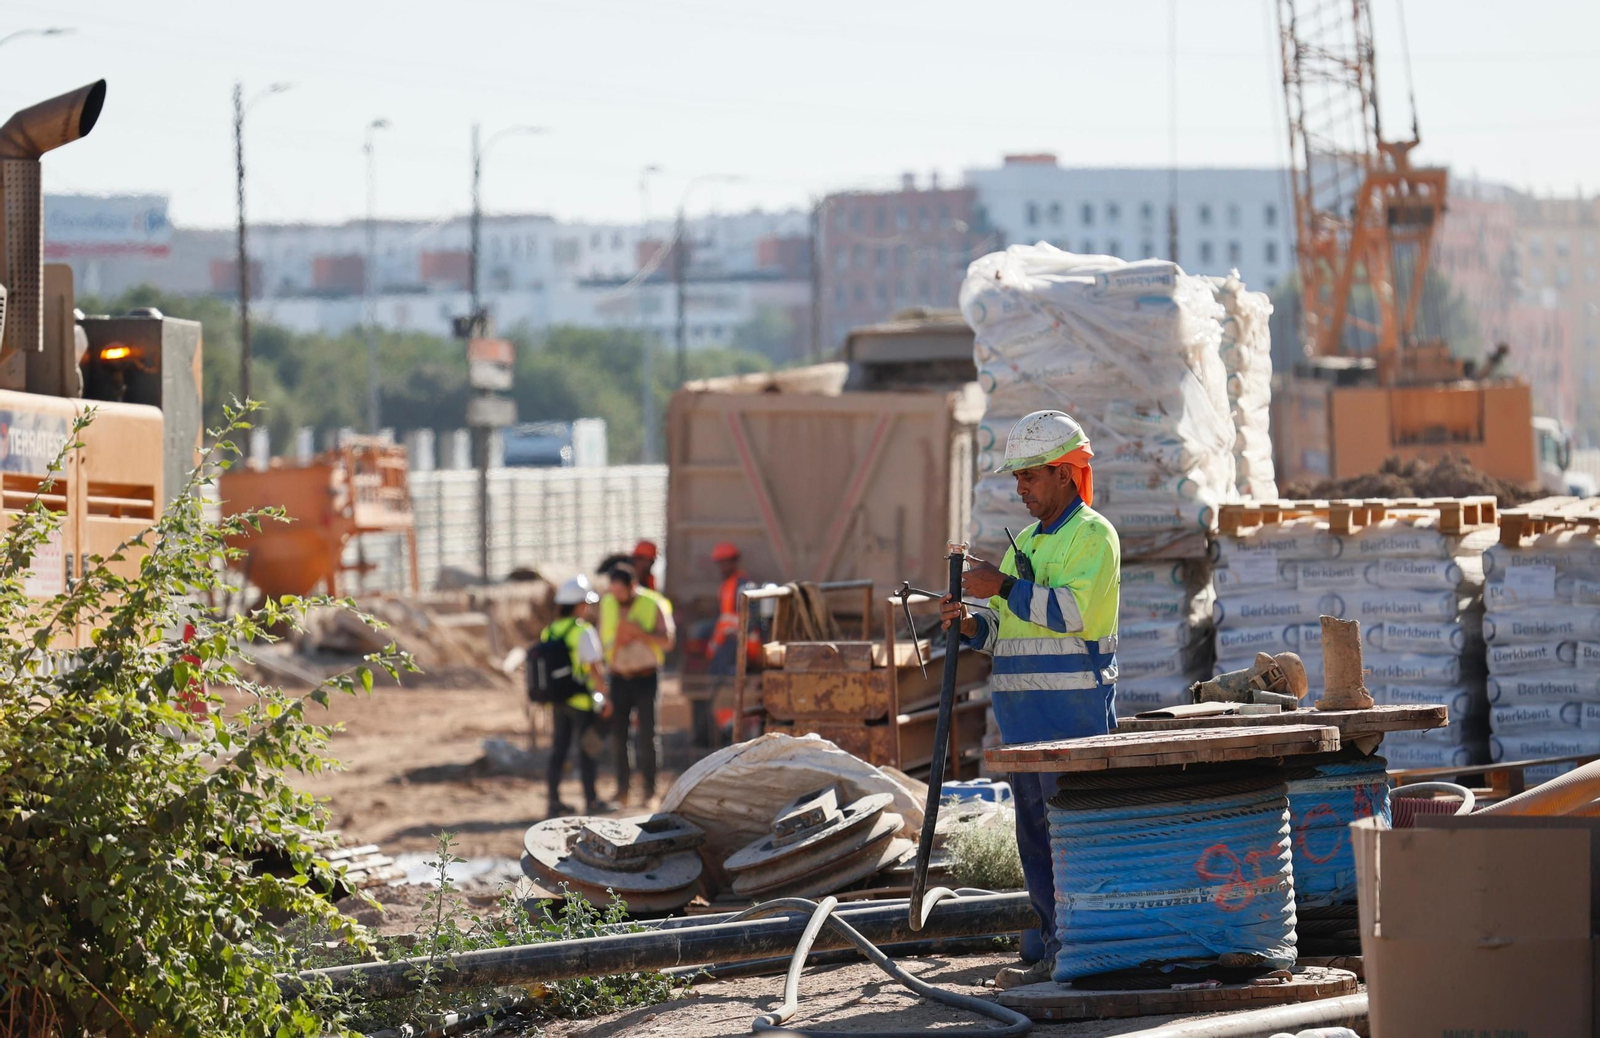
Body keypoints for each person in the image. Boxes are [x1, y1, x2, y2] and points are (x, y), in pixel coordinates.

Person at [938, 409, 1120, 990]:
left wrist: (1005, 587)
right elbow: (1003, 633)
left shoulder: (1092, 536)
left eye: (1030, 476)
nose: (1020, 487)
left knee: (1074, 839)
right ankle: (1047, 948)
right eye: (1016, 477)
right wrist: (969, 624)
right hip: (1024, 723)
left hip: (1073, 720)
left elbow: (1069, 615)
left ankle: (1077, 953)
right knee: (1035, 836)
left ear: (1066, 474)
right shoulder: (1030, 546)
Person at [598, 561, 675, 804]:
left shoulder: (653, 603)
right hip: (619, 677)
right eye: (614, 592)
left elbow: (668, 642)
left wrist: (640, 633)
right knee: (619, 736)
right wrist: (620, 640)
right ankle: (623, 790)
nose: (617, 597)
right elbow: (603, 642)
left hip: (646, 677)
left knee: (647, 734)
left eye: (621, 591)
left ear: (633, 585)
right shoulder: (607, 603)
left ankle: (650, 791)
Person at [539, 575, 613, 818]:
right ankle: (591, 801)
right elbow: (594, 669)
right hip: (582, 701)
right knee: (588, 750)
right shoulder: (583, 631)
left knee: (558, 749)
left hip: (558, 700)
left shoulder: (549, 631)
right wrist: (604, 696)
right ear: (580, 604)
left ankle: (553, 802)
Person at [701, 541, 759, 748]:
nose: (722, 567)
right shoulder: (728, 584)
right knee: (722, 690)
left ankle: (733, 732)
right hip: (728, 647)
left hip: (737, 647)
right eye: (720, 563)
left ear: (734, 561)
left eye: (726, 562)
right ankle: (729, 730)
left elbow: (746, 620)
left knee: (727, 689)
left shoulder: (742, 584)